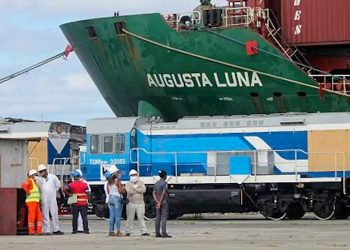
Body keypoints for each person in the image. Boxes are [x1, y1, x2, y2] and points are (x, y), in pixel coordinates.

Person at [36, 164, 64, 235]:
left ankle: (56, 229)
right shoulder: (39, 179)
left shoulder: (53, 177)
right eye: (40, 172)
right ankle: (46, 230)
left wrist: (59, 196)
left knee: (54, 213)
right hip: (44, 198)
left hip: (52, 198)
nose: (41, 173)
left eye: (42, 171)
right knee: (45, 214)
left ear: (45, 171)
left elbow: (58, 186)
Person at [125, 169, 149, 237]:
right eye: (132, 175)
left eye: (135, 175)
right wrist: (138, 190)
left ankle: (144, 231)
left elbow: (143, 190)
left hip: (140, 203)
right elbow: (129, 191)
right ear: (130, 176)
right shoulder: (128, 184)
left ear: (137, 175)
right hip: (131, 203)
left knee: (141, 217)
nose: (134, 176)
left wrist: (135, 189)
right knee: (130, 218)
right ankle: (128, 231)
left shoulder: (141, 182)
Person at [65, 170, 90, 234]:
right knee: (84, 217)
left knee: (75, 217)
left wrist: (69, 194)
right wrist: (87, 200)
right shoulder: (84, 184)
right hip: (83, 203)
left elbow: (64, 189)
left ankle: (74, 230)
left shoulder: (71, 185)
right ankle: (86, 230)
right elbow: (88, 193)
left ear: (74, 177)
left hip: (75, 203)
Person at [104, 165, 125, 236]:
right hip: (117, 198)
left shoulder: (108, 182)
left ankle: (111, 231)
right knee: (118, 216)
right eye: (117, 172)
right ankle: (118, 231)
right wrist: (124, 189)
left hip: (110, 198)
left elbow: (108, 191)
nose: (118, 172)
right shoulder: (117, 180)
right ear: (114, 173)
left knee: (111, 216)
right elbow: (120, 191)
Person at [21, 169, 43, 236]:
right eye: (35, 175)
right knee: (32, 216)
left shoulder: (34, 182)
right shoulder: (30, 180)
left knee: (39, 216)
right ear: (32, 175)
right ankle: (31, 231)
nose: (36, 176)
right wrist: (28, 191)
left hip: (35, 201)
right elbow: (23, 185)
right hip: (31, 202)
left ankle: (39, 231)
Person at [153, 170, 171, 238]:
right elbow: (163, 193)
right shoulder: (165, 183)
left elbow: (153, 193)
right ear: (165, 176)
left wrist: (157, 201)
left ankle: (157, 233)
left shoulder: (156, 183)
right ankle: (164, 233)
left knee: (158, 217)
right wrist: (160, 202)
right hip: (163, 202)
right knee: (163, 217)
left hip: (157, 202)